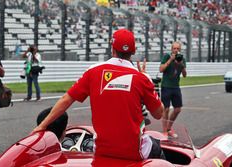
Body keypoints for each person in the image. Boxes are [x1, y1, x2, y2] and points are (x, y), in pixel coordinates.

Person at [32, 29, 165, 161]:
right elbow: (159, 114)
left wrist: (42, 126)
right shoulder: (142, 78)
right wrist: (149, 82)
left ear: (112, 49)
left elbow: (66, 99)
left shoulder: (93, 71)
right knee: (160, 149)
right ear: (133, 52)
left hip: (102, 151)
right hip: (134, 153)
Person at [159, 41, 187, 138]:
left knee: (177, 109)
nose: (176, 50)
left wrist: (181, 64)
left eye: (177, 49)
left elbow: (184, 75)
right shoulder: (167, 56)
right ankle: (164, 132)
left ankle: (169, 128)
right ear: (171, 49)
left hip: (175, 87)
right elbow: (161, 69)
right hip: (166, 86)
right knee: (165, 109)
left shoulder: (182, 59)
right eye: (174, 48)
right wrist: (170, 60)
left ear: (180, 49)